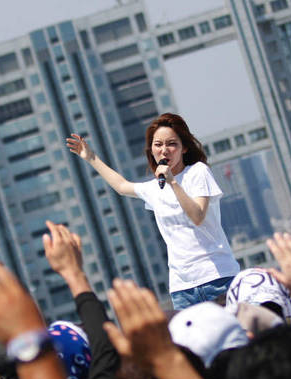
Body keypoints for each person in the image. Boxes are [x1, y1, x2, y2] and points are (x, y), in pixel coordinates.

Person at [67, 113, 238, 308]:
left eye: (171, 144)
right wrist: (91, 158)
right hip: (182, 289)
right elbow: (122, 186)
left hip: (217, 278)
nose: (164, 150)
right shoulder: (154, 188)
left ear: (184, 148)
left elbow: (197, 216)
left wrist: (172, 181)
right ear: (151, 150)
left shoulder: (197, 172)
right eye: (158, 145)